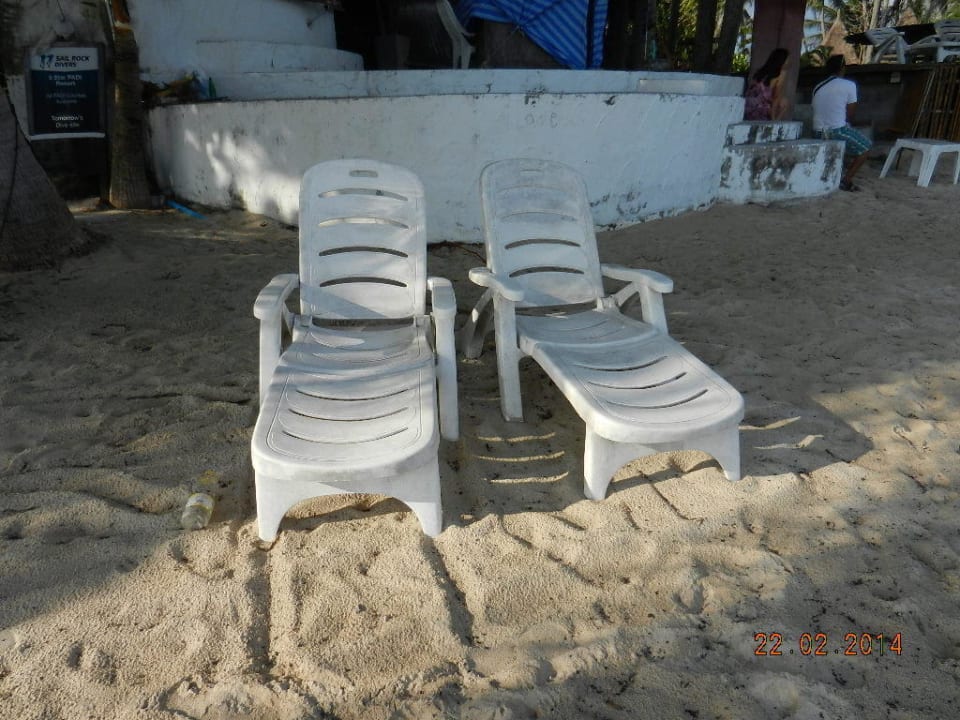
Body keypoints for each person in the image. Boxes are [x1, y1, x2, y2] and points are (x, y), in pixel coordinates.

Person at [812, 54, 873, 192]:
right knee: (866, 147)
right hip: (836, 130)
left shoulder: (818, 86)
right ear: (842, 68)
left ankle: (835, 174)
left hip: (817, 131)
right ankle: (846, 181)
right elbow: (850, 114)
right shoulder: (849, 85)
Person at [744, 48, 790, 121]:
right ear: (782, 60)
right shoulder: (781, 73)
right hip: (761, 110)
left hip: (747, 108)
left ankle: (773, 121)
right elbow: (776, 97)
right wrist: (773, 117)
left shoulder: (761, 71)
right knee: (784, 101)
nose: (788, 61)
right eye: (787, 59)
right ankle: (774, 122)